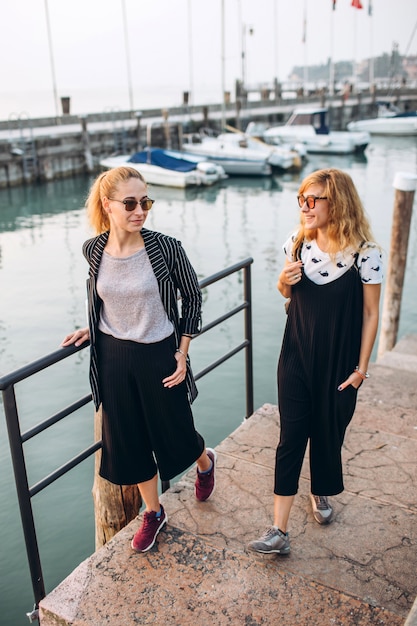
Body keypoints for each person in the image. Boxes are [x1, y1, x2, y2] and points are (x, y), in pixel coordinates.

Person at [62, 166, 216, 553]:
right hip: (113, 358)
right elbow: (104, 297)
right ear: (107, 205)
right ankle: (153, 511)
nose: (140, 210)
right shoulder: (93, 249)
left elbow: (194, 300)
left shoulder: (165, 249)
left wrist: (182, 353)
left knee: (176, 433)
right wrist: (91, 328)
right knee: (129, 441)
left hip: (159, 354)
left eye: (145, 201)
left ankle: (204, 461)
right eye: (130, 203)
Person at [249, 168, 382, 555]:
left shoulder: (364, 253)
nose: (305, 207)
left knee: (328, 435)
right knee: (290, 439)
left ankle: (320, 492)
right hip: (296, 355)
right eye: (301, 199)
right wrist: (282, 280)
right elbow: (286, 295)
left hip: (340, 363)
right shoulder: (296, 243)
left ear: (336, 202)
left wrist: (361, 370)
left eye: (313, 200)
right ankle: (279, 530)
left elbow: (371, 314)